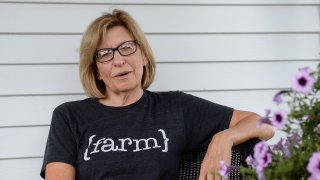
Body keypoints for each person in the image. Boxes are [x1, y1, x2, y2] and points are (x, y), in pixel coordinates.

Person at [40, 9, 274, 180]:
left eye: (127, 47)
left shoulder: (176, 107)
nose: (119, 60)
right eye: (105, 54)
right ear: (97, 71)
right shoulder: (69, 116)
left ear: (143, 55)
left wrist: (223, 138)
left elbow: (264, 124)